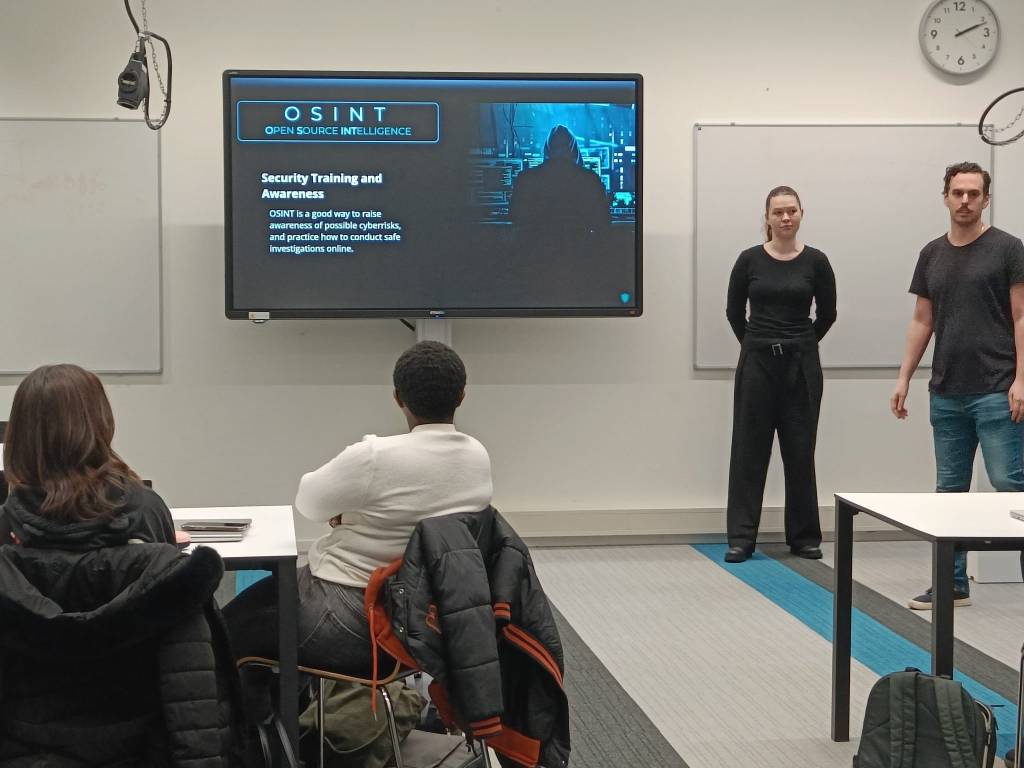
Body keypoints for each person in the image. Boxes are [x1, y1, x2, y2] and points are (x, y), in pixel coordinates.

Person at [0, 363, 243, 765]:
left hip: (29, 747)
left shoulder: (7, 526)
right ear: (101, 424)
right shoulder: (147, 510)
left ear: (20, 436)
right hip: (141, 742)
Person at [224, 340, 492, 680]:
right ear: (462, 396)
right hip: (430, 624)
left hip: (352, 618)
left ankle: (261, 712)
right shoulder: (477, 457)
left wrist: (349, 515)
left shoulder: (375, 458)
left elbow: (308, 502)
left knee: (222, 629)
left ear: (398, 398)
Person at [891, 161, 1024, 612]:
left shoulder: (1007, 249)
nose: (965, 201)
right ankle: (951, 585)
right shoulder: (932, 254)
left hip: (997, 388)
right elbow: (922, 320)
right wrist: (904, 376)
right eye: (957, 193)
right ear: (945, 197)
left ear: (986, 199)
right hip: (946, 390)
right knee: (949, 491)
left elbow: (1021, 316)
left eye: (973, 193)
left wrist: (1021, 379)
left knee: (1010, 484)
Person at [724, 186, 838, 563]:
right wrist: (758, 343)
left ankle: (804, 538)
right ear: (768, 218)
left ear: (802, 214)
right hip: (757, 365)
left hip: (801, 367)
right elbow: (734, 313)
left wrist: (799, 344)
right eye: (778, 212)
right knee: (749, 453)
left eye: (792, 211)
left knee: (800, 452)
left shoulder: (817, 261)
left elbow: (827, 315)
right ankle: (742, 538)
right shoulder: (749, 260)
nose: (786, 218)